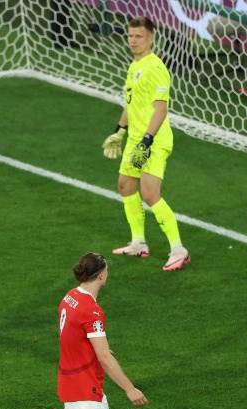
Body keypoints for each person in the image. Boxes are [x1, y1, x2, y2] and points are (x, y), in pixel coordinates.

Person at [101, 16, 191, 271]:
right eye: (130, 36)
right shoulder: (134, 66)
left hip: (154, 139)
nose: (132, 40)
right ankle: (138, 242)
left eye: (138, 36)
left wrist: (147, 140)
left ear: (150, 38)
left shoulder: (156, 68)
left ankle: (178, 249)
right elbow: (132, 105)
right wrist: (119, 131)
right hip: (136, 139)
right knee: (126, 186)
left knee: (150, 194)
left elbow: (160, 110)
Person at [57, 253, 148, 409]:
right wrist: (130, 389)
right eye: (106, 270)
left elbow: (71, 335)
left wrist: (98, 348)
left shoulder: (71, 296)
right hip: (82, 385)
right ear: (100, 275)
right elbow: (105, 358)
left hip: (83, 379)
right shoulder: (92, 310)